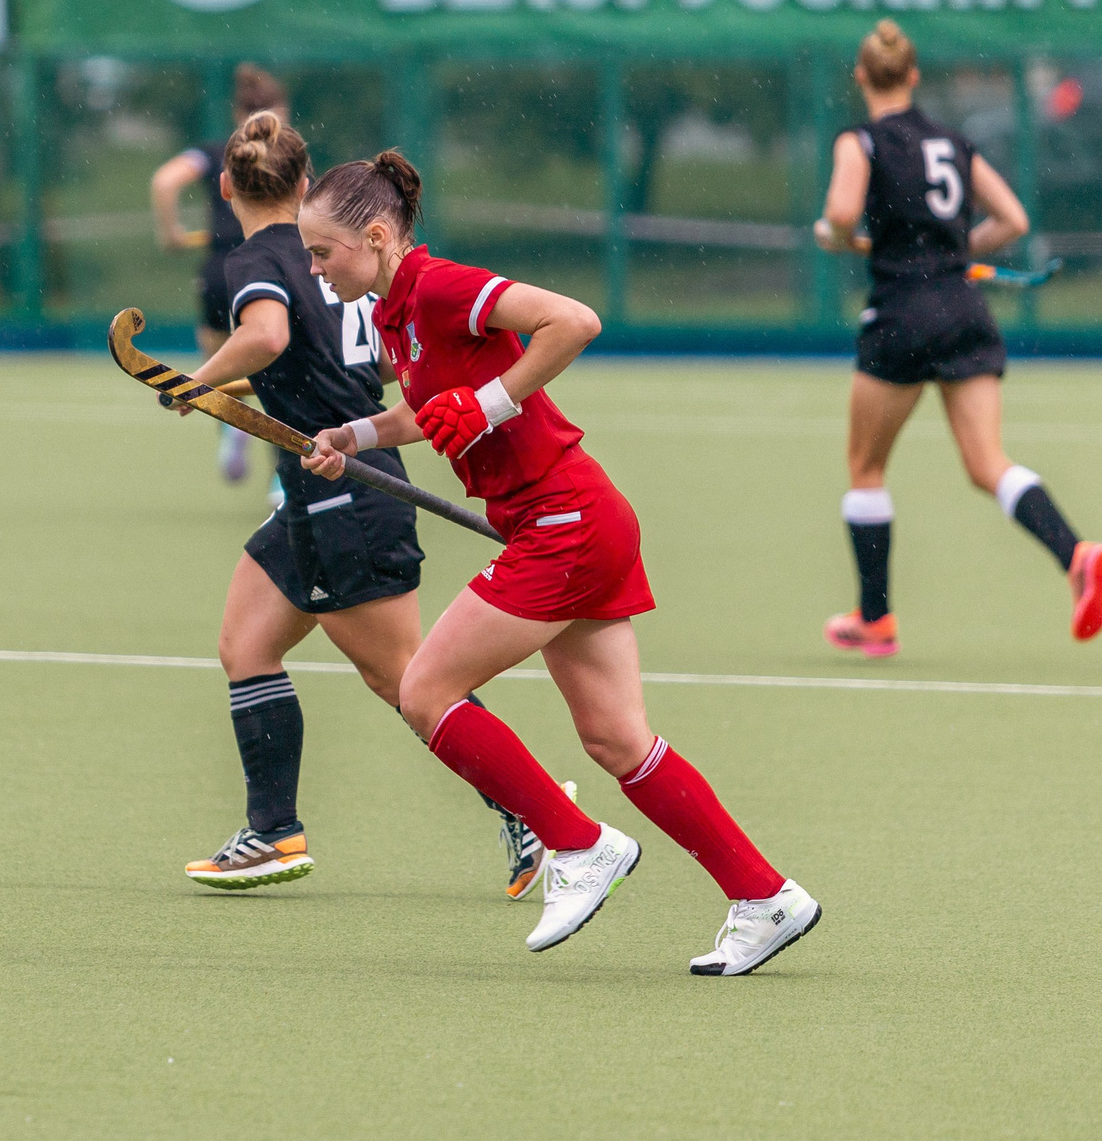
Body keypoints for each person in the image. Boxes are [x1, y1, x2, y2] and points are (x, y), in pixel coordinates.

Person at [301, 151, 818, 974]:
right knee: (618, 739)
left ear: (374, 236)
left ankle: (576, 845)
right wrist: (355, 437)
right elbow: (430, 408)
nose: (318, 271)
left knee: (424, 690)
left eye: (324, 253)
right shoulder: (397, 313)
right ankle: (764, 896)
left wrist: (491, 402)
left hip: (563, 521)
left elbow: (573, 320)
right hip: (569, 519)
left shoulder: (438, 286)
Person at [163, 112, 549, 898]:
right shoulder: (334, 260)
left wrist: (194, 380)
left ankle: (534, 812)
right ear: (304, 184)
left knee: (408, 680)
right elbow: (351, 372)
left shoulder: (258, 259)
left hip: (348, 497)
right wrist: (235, 389)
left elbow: (268, 336)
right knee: (246, 644)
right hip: (315, 494)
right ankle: (273, 829)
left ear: (226, 185)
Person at [811, 20, 1102, 659]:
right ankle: (1075, 554)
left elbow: (842, 215)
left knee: (866, 468)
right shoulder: (953, 142)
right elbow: (1013, 220)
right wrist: (956, 252)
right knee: (987, 463)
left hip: (901, 312)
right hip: (964, 308)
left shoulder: (859, 141)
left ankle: (876, 619)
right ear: (915, 75)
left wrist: (838, 238)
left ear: (862, 77)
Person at [150, 63, 290, 485]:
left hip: (220, 271)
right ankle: (284, 478)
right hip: (274, 269)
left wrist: (171, 233)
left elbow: (164, 180)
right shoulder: (291, 158)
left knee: (219, 361)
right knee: (286, 371)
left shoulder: (216, 152)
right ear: (280, 112)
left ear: (236, 114)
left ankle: (231, 427)